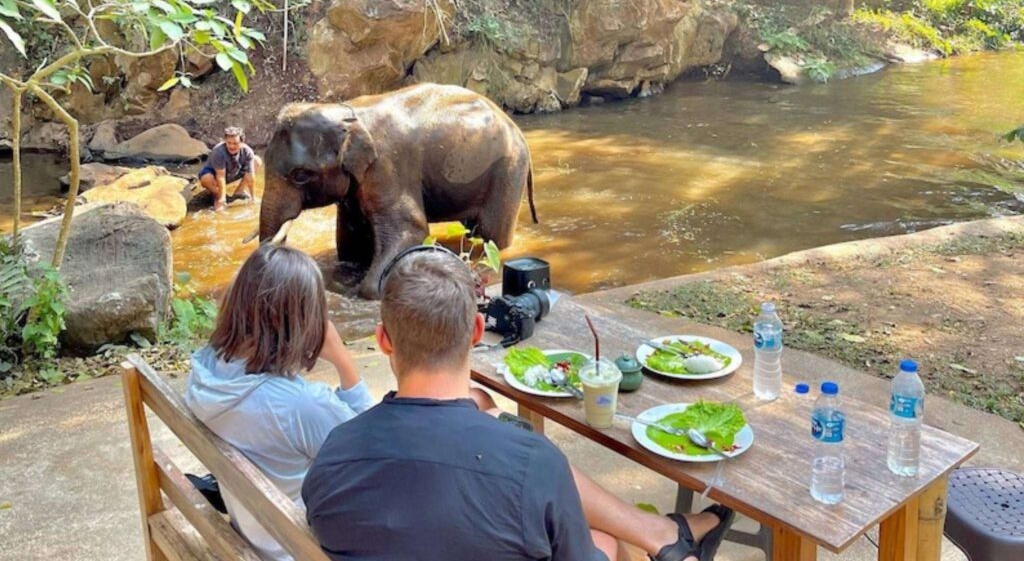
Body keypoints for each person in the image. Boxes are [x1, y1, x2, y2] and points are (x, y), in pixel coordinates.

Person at [303, 246, 735, 561]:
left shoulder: (333, 455)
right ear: (475, 331)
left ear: (382, 340)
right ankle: (670, 539)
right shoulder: (532, 464)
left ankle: (667, 534)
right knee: (602, 542)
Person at [184, 244, 373, 561]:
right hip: (292, 546)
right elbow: (373, 449)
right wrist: (343, 361)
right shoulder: (301, 406)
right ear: (298, 322)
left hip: (254, 528)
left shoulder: (205, 370)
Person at [198, 126, 262, 211]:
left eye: (235, 143)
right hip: (215, 175)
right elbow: (220, 176)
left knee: (257, 161)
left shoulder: (247, 151)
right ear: (225, 141)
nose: (232, 146)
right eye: (229, 143)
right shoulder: (218, 152)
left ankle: (240, 191)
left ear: (242, 142)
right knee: (206, 178)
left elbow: (251, 175)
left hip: (234, 172)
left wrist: (253, 198)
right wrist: (222, 199)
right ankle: (218, 195)